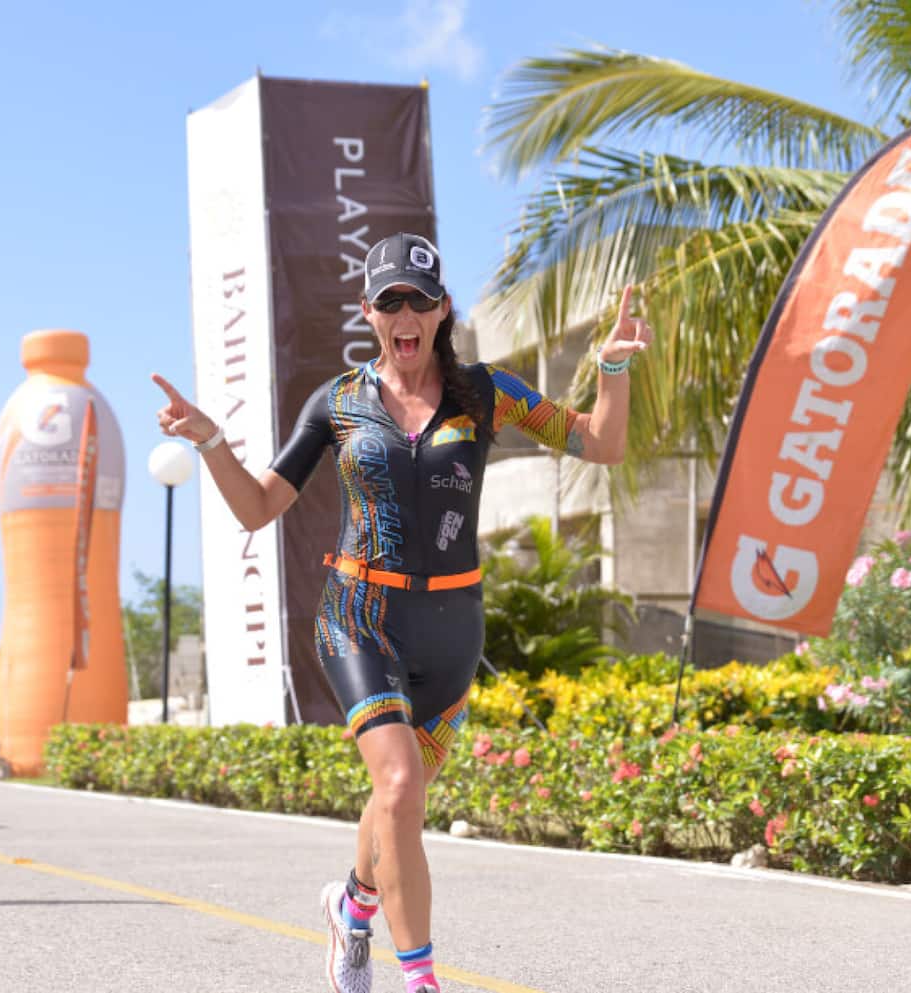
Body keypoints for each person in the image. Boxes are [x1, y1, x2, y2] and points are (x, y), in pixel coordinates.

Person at [152, 232, 651, 993]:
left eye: (421, 299)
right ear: (370, 313)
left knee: (401, 791)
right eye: (391, 301)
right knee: (397, 786)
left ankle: (351, 908)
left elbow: (600, 444)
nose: (406, 313)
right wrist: (213, 440)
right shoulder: (340, 404)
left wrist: (613, 366)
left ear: (443, 308)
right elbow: (257, 507)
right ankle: (419, 979)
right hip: (359, 616)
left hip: (451, 629)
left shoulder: (487, 393)